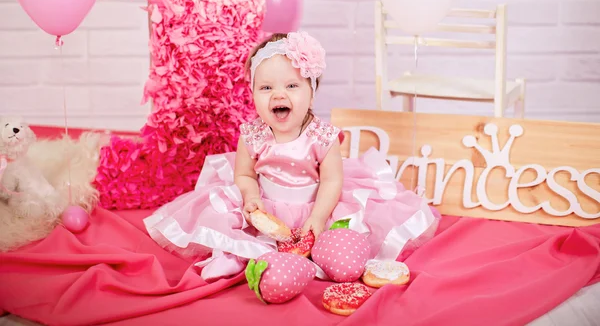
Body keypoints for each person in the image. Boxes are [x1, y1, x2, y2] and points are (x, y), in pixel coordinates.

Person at [143, 31, 440, 282]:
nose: (278, 95)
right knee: (228, 219)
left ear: (311, 93)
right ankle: (235, 254)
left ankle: (328, 254)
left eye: (292, 86)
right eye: (266, 87)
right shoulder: (253, 135)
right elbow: (245, 174)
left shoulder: (322, 136)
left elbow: (332, 180)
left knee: (346, 238)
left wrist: (319, 217)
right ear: (253, 94)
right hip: (268, 206)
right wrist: (250, 197)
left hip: (315, 205)